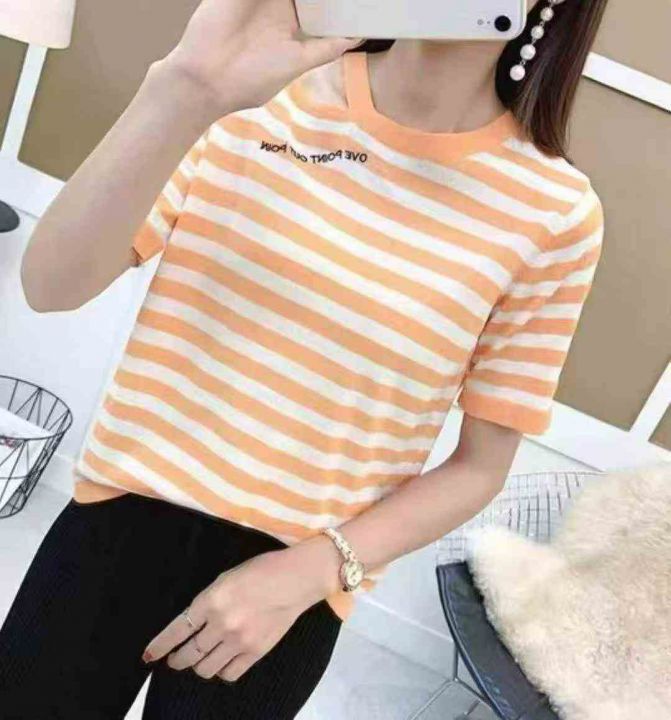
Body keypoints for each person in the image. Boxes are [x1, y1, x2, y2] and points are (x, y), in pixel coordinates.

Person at [1, 0, 609, 717]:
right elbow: (50, 286)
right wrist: (184, 88)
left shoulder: (555, 212)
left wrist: (308, 573)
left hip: (292, 594)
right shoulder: (252, 92)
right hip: (114, 526)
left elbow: (479, 467)